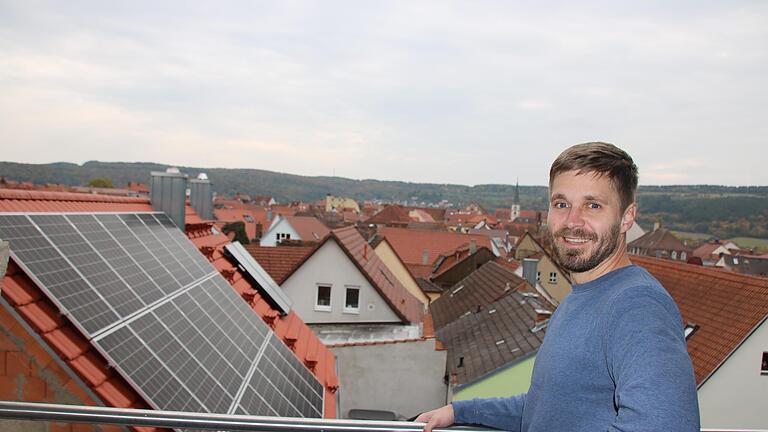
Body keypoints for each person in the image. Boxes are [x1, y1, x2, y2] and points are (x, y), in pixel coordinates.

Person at [415, 142, 699, 431]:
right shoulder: (577, 299)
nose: (572, 221)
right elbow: (546, 408)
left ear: (627, 217)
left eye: (593, 205)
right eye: (561, 204)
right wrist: (461, 411)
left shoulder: (637, 306)